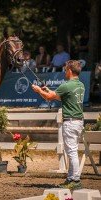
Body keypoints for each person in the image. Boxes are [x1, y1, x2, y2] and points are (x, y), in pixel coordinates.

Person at [32, 60, 85, 190]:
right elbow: (61, 96)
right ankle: (71, 178)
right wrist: (49, 90)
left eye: (66, 69)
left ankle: (76, 180)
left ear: (70, 71)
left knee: (71, 152)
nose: (64, 72)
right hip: (78, 121)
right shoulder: (80, 85)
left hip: (71, 122)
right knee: (72, 150)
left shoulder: (67, 85)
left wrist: (39, 90)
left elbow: (49, 97)